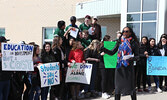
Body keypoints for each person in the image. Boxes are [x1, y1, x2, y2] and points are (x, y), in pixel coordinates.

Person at [102, 27, 139, 100]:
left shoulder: (134, 43)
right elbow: (112, 52)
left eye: (127, 31)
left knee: (131, 88)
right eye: (123, 31)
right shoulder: (119, 42)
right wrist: (104, 49)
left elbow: (138, 56)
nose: (125, 33)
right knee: (118, 88)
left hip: (129, 68)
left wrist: (132, 58)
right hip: (119, 67)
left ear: (130, 33)